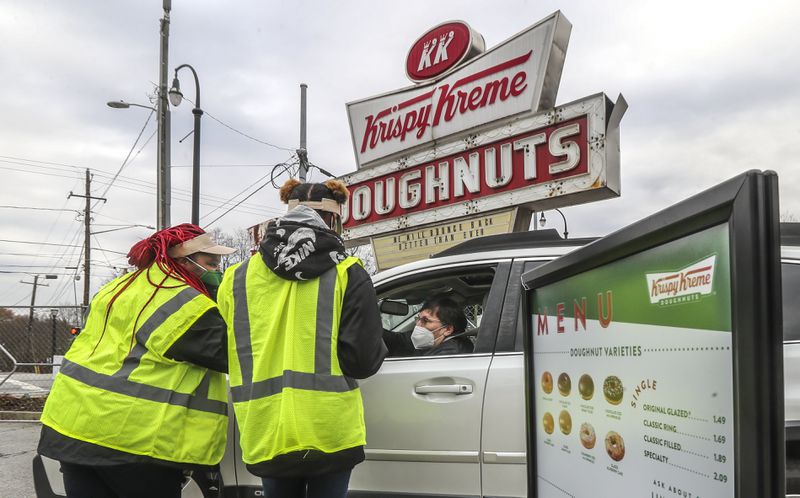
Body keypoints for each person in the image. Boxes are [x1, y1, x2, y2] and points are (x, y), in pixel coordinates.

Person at [216, 178, 387, 498]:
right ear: (334, 220)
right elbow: (362, 361)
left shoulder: (236, 278)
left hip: (266, 430)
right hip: (329, 432)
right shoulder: (348, 271)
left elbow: (230, 346)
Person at [37, 224, 235, 498]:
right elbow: (233, 353)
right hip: (130, 441)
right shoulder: (180, 300)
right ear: (182, 261)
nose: (217, 270)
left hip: (71, 427)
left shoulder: (119, 287)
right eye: (210, 262)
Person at [382, 296, 473, 357]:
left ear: (448, 329)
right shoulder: (433, 339)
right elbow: (399, 340)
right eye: (418, 319)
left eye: (425, 320)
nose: (418, 325)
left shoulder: (449, 354)